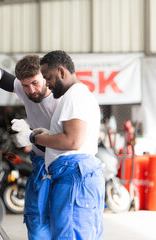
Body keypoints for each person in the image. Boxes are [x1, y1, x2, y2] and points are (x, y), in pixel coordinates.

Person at [30, 50, 105, 239]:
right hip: (76, 177)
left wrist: (33, 138)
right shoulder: (79, 95)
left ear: (62, 72)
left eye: (48, 77)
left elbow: (72, 141)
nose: (47, 83)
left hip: (73, 179)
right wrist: (51, 135)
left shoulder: (75, 95)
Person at [0, 55, 60, 240]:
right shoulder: (25, 88)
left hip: (61, 166)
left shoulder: (61, 101)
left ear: (45, 76)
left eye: (35, 83)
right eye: (25, 86)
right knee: (35, 220)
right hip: (39, 165)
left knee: (61, 222)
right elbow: (10, 81)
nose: (31, 90)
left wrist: (32, 135)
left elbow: (68, 141)